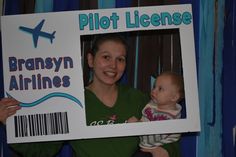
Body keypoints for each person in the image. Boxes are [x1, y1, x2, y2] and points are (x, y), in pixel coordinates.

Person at [1, 33, 181, 157]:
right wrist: (13, 125)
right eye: (106, 57)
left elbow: (170, 132)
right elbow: (44, 150)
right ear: (90, 60)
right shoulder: (72, 102)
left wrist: (167, 151)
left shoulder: (139, 99)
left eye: (120, 59)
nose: (113, 65)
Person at [131, 71, 184, 157]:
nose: (154, 91)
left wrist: (138, 125)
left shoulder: (173, 117)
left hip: (158, 150)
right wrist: (136, 124)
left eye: (160, 89)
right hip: (144, 147)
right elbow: (144, 122)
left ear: (174, 97)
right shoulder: (151, 106)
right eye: (154, 87)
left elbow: (164, 136)